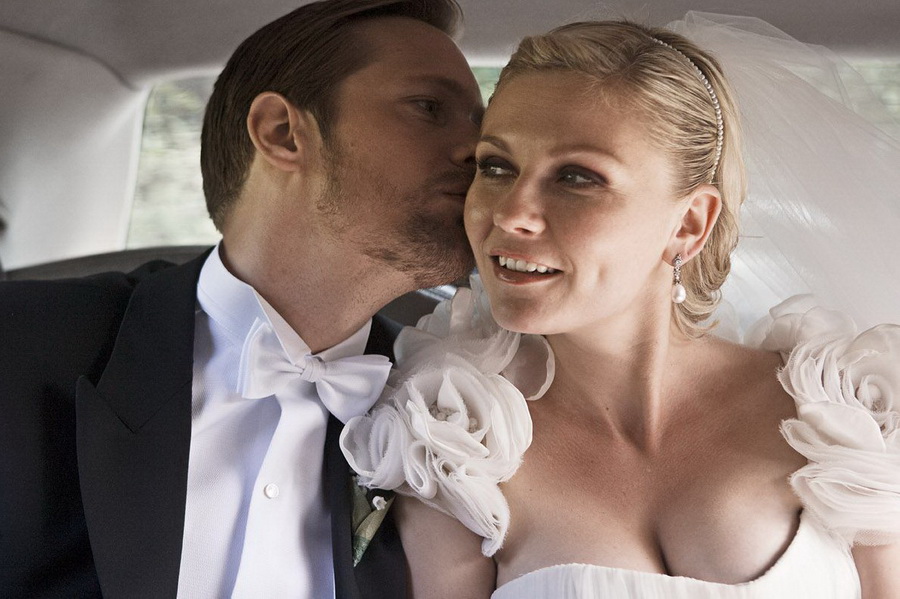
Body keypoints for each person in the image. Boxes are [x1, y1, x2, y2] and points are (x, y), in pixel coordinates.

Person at [340, 13, 900, 599]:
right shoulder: (453, 442)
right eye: (496, 167)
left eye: (576, 178)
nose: (510, 214)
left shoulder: (843, 415)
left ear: (689, 223)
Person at [0, 0, 483, 597]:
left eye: (482, 125)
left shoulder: (455, 415)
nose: (482, 152)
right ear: (282, 133)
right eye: (429, 108)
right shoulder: (18, 345)